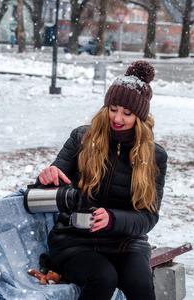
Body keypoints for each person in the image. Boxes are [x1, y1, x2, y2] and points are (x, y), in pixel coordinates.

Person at [38, 60, 167, 300]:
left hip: (126, 244)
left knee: (141, 286)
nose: (117, 117)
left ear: (139, 117)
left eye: (127, 113)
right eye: (113, 108)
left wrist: (113, 219)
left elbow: (148, 217)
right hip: (74, 240)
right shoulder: (81, 138)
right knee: (102, 278)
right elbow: (49, 185)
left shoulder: (154, 155)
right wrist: (47, 176)